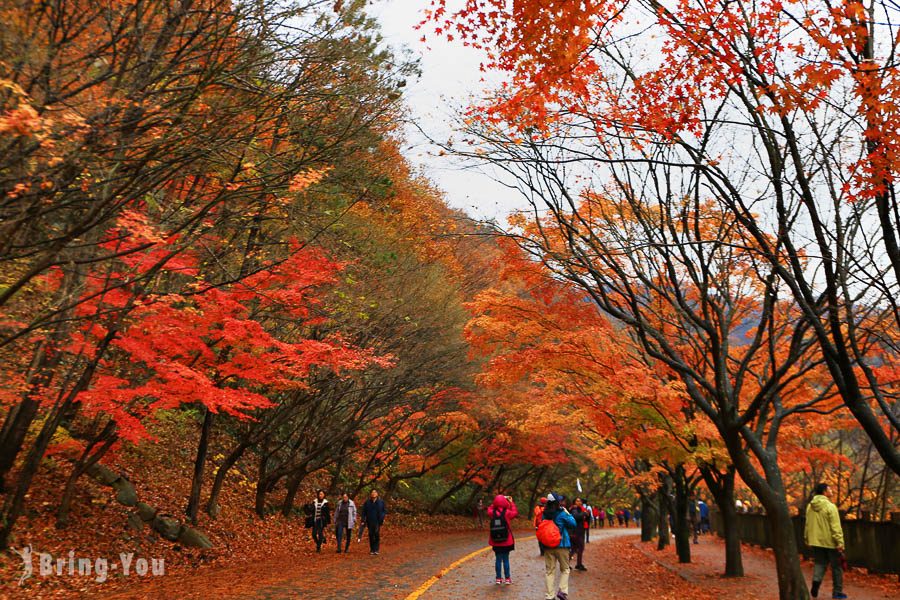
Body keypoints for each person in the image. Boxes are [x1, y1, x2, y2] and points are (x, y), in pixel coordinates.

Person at [804, 483, 846, 599]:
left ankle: (816, 584)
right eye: (829, 489)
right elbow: (835, 527)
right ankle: (837, 592)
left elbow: (807, 524)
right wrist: (840, 542)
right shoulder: (830, 507)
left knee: (820, 563)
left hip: (816, 541)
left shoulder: (810, 507)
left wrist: (807, 538)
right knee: (837, 567)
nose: (831, 490)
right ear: (824, 491)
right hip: (830, 542)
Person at [541, 492, 577, 600]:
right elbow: (573, 524)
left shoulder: (545, 514)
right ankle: (562, 591)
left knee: (550, 571)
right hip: (562, 544)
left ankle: (549, 595)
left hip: (548, 546)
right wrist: (567, 512)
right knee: (565, 569)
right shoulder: (562, 513)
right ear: (558, 502)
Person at [488, 494, 518, 585]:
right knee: (506, 559)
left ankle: (498, 578)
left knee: (498, 559)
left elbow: (490, 508)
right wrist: (511, 502)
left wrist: (495, 503)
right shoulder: (507, 513)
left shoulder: (491, 512)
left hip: (495, 541)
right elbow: (515, 512)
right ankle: (507, 578)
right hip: (506, 540)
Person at [358, 489, 386, 555]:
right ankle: (372, 549)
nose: (373, 493)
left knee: (376, 533)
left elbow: (384, 511)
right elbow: (363, 512)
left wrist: (382, 517)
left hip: (377, 521)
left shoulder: (381, 502)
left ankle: (376, 549)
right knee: (371, 534)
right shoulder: (367, 502)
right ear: (370, 494)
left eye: (375, 492)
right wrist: (363, 520)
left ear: (377, 494)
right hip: (369, 521)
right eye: (372, 492)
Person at [569, 497, 588, 571]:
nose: (579, 502)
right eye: (577, 501)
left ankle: (577, 564)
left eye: (580, 501)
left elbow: (584, 519)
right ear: (574, 502)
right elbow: (575, 517)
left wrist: (586, 514)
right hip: (576, 532)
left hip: (579, 531)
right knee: (578, 548)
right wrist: (584, 513)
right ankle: (577, 564)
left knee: (576, 548)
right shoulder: (574, 509)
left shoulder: (580, 509)